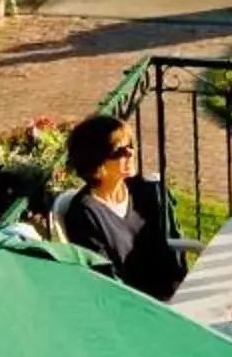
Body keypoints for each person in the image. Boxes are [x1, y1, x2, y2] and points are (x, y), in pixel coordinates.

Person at [58, 111, 188, 300]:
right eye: (120, 151)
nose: (131, 153)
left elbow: (172, 251)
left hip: (176, 296)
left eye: (131, 146)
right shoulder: (85, 214)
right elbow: (105, 279)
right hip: (135, 306)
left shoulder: (148, 192)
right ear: (97, 164)